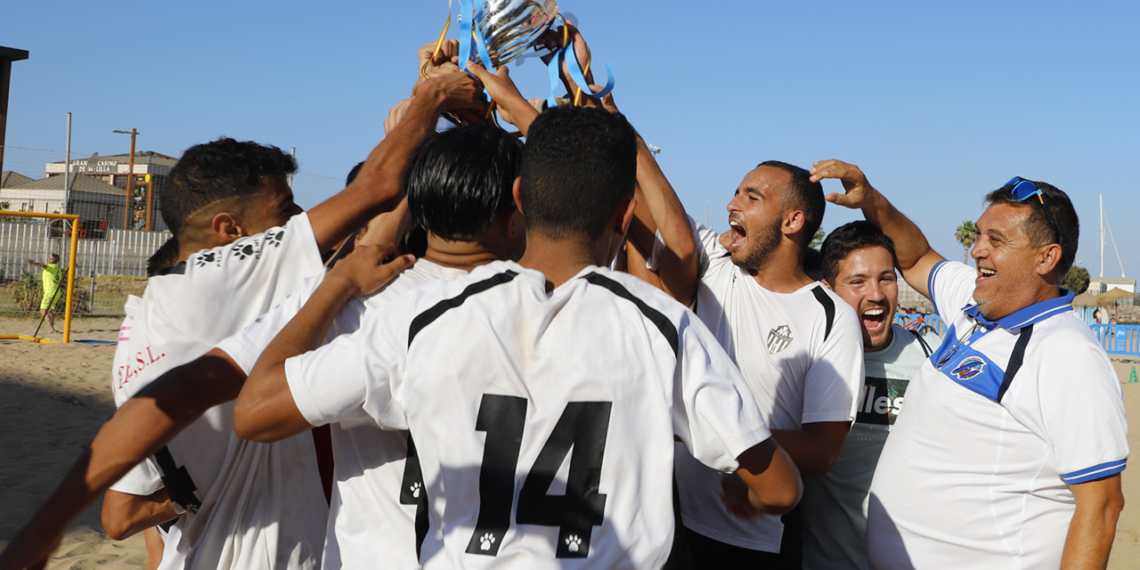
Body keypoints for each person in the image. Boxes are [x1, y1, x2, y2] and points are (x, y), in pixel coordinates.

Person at [234, 105, 803, 569]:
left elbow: (254, 412)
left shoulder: (427, 316)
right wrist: (745, 495)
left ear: (521, 200)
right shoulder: (663, 325)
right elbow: (780, 490)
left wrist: (334, 284)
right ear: (625, 216)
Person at [0, 67, 483, 570]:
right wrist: (430, 99)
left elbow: (126, 500)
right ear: (229, 231)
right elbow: (376, 194)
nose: (301, 223)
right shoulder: (217, 282)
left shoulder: (156, 314)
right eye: (285, 210)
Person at [214, 122, 531, 570]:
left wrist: (338, 282)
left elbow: (254, 412)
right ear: (520, 206)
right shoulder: (548, 308)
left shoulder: (362, 301)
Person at [810, 159, 1128, 569]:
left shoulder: (1066, 354)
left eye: (996, 240)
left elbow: (1101, 507)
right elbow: (918, 257)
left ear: (1046, 258)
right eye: (978, 236)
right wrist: (872, 200)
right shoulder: (976, 303)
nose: (977, 249)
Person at [632, 151, 863, 565]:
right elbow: (653, 209)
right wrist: (620, 127)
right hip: (671, 520)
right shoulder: (714, 261)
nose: (731, 205)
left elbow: (822, 451)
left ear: (792, 221)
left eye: (751, 197)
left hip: (756, 540)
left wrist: (722, 440)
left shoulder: (831, 318)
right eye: (736, 192)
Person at [801, 221, 938, 569]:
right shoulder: (806, 363)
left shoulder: (933, 357)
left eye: (886, 278)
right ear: (827, 291)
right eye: (858, 281)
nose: (876, 294)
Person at [26, 254, 61, 334]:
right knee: (49, 311)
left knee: (42, 310)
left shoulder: (51, 267)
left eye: (51, 259)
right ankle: (52, 329)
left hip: (50, 292)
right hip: (56, 292)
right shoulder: (58, 270)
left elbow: (42, 265)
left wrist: (34, 263)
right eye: (49, 258)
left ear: (56, 261)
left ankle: (51, 328)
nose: (49, 260)